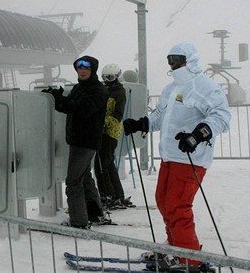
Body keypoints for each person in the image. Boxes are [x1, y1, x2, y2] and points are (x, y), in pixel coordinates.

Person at [123, 42, 231, 271]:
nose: (174, 65)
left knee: (178, 205)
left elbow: (221, 116)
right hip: (170, 156)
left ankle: (190, 260)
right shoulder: (171, 89)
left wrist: (197, 135)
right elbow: (160, 116)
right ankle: (174, 248)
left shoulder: (205, 86)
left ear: (190, 60)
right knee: (163, 200)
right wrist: (142, 123)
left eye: (178, 60)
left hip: (191, 157)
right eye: (171, 60)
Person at [42, 55, 109, 228]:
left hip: (86, 142)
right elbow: (70, 107)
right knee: (84, 178)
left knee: (73, 182)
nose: (83, 71)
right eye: (80, 68)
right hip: (78, 140)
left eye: (86, 68)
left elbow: (82, 109)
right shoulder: (80, 88)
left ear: (92, 70)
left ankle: (78, 222)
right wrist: (54, 99)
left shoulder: (97, 90)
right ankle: (95, 214)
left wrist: (60, 100)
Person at [94, 63, 133, 209]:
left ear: (117, 77)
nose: (107, 80)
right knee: (108, 164)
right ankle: (117, 195)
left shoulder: (119, 92)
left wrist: (102, 121)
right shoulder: (105, 90)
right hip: (102, 132)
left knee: (101, 165)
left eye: (110, 77)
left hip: (110, 133)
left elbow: (117, 115)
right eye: (104, 77)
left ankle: (107, 195)